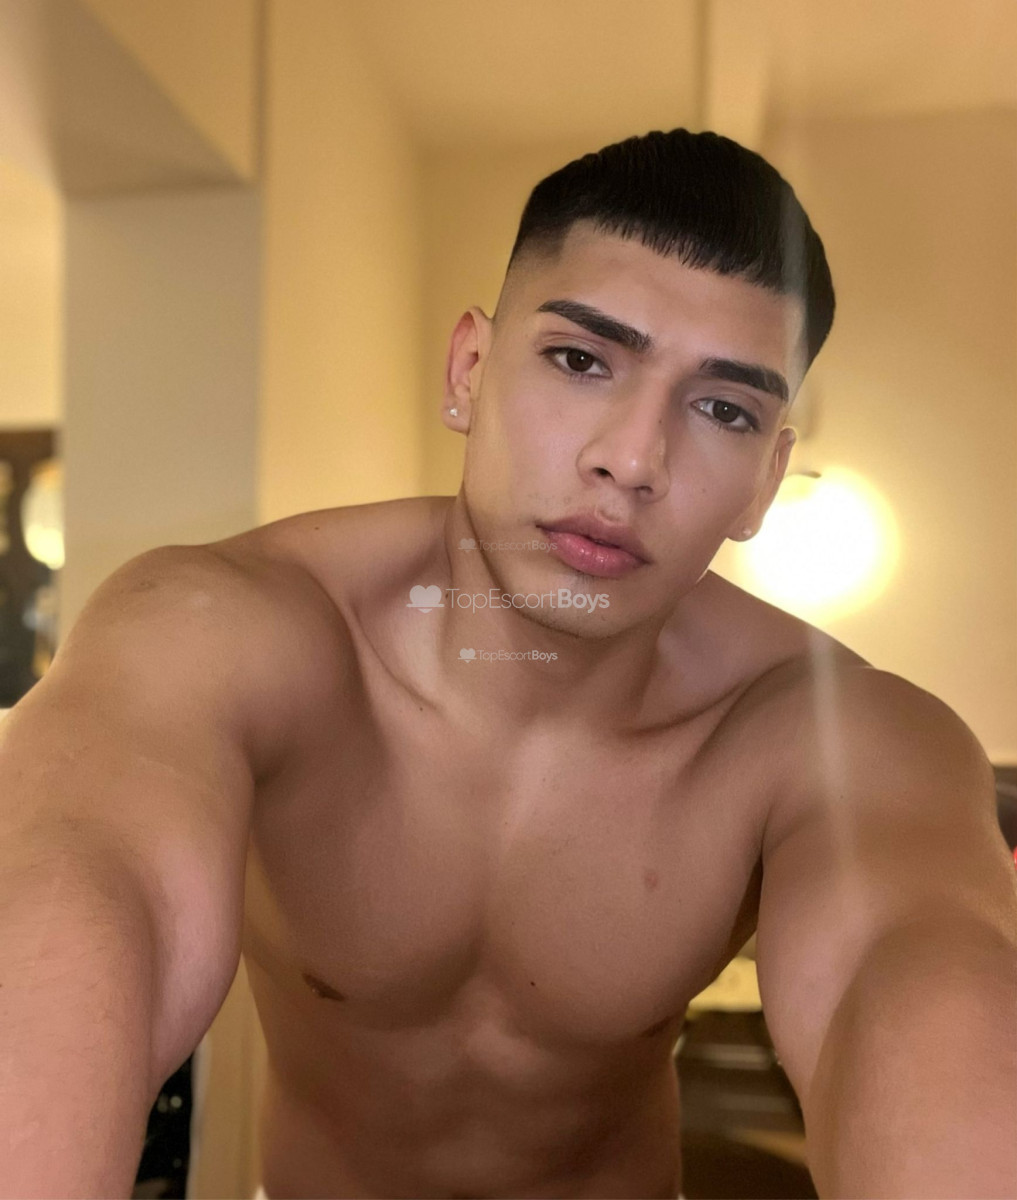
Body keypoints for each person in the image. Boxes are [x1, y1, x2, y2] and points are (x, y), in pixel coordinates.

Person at [2, 128, 1015, 1200]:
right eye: (580, 360)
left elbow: (918, 984)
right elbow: (77, 890)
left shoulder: (838, 734)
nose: (632, 460)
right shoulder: (216, 631)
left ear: (765, 480)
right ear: (469, 371)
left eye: (723, 408)